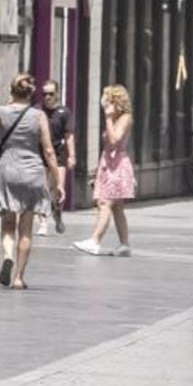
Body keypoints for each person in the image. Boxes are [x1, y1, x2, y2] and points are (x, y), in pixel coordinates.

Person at [0, 73, 59, 289]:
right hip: (32, 171)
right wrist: (56, 183)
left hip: (8, 169)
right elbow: (48, 150)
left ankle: (7, 257)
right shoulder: (39, 116)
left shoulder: (0, 112)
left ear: (11, 91)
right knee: (26, 226)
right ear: (31, 94)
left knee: (8, 223)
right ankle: (19, 277)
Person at [74, 85, 135, 257]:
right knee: (117, 208)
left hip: (117, 166)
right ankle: (124, 244)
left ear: (116, 101)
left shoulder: (125, 118)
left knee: (105, 203)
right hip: (109, 164)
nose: (104, 103)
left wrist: (108, 118)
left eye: (107, 99)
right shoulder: (116, 118)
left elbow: (115, 140)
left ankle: (95, 240)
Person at [38, 80, 75, 236]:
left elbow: (69, 136)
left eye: (51, 94)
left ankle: (57, 214)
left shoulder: (64, 113)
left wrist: (72, 155)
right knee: (42, 189)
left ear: (57, 94)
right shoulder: (37, 111)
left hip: (58, 154)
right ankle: (43, 223)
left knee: (58, 190)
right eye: (44, 94)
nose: (47, 97)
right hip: (40, 154)